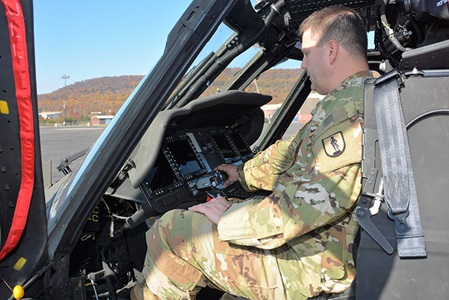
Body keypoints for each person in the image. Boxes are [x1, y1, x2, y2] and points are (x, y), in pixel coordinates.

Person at [132, 5, 371, 300]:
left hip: (311, 264)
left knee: (170, 230)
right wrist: (241, 175)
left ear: (331, 51)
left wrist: (228, 216)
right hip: (328, 247)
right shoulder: (359, 98)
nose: (302, 65)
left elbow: (291, 216)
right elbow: (292, 155)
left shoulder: (347, 115)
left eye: (307, 53)